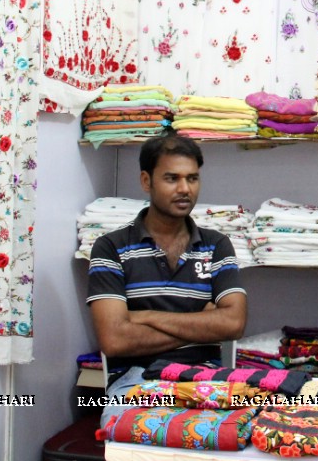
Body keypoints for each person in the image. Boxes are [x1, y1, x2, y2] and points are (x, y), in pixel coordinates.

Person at [87, 134, 247, 418]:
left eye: (193, 178)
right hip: (135, 381)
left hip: (205, 378)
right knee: (132, 434)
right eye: (172, 179)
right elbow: (114, 340)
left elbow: (233, 323)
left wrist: (144, 316)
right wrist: (203, 324)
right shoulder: (111, 247)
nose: (185, 189)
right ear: (146, 181)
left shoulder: (217, 245)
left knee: (228, 437)